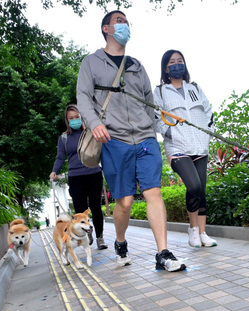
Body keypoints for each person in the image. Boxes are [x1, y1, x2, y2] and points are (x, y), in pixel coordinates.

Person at [76, 10, 185, 272]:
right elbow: (82, 98)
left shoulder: (136, 65)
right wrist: (95, 124)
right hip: (114, 139)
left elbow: (149, 101)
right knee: (124, 202)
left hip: (145, 137)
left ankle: (163, 253)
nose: (124, 25)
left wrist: (154, 129)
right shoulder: (91, 63)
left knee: (153, 192)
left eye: (126, 22)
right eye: (119, 21)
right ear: (106, 29)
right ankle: (121, 242)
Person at [153, 49, 217, 248]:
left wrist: (207, 133)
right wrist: (170, 133)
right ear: (166, 67)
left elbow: (208, 111)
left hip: (199, 145)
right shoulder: (161, 91)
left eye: (180, 60)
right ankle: (193, 229)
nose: (177, 64)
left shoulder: (195, 88)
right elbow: (156, 116)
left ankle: (203, 233)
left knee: (202, 190)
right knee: (194, 186)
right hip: (178, 147)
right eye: (172, 61)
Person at [50, 104, 108, 250]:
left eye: (77, 117)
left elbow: (102, 149)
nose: (74, 120)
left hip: (93, 174)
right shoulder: (63, 138)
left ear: (82, 116)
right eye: (71, 118)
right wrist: (54, 171)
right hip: (75, 178)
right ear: (67, 120)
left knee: (95, 207)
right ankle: (88, 235)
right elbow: (60, 157)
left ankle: (100, 237)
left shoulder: (91, 131)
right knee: (80, 211)